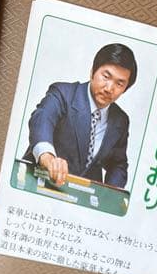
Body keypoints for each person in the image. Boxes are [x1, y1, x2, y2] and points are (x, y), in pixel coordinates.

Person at [25, 43, 137, 189]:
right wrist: (48, 157)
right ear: (92, 72)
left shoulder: (120, 120)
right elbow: (42, 121)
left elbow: (118, 164)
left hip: (82, 195)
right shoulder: (63, 93)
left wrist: (109, 194)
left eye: (119, 84)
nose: (109, 88)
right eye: (106, 76)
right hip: (38, 182)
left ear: (125, 89)